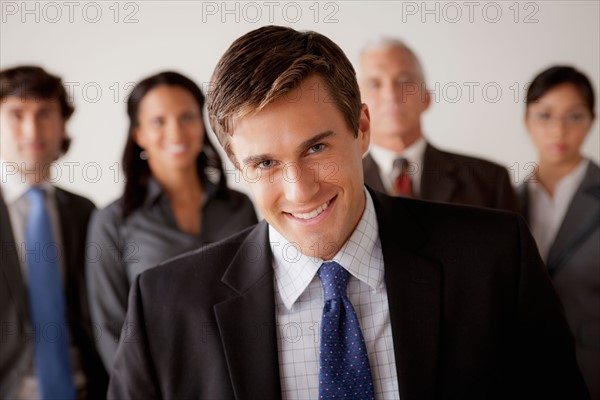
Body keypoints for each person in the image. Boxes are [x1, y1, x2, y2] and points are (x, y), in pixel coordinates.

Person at [108, 26, 589, 399]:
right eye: (265, 163)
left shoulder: (496, 258)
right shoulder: (164, 307)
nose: (299, 189)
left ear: (361, 129)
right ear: (237, 166)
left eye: (316, 147)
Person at [85, 71, 258, 370]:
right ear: (138, 134)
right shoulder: (112, 222)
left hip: (241, 374)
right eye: (158, 121)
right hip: (161, 382)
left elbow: (258, 299)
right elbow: (110, 328)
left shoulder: (239, 207)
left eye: (187, 117)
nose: (176, 133)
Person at [0, 66, 108, 399]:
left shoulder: (86, 212)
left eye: (45, 113)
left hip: (84, 388)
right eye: (17, 114)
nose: (32, 128)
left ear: (62, 125)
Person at [359, 38, 518, 211]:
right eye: (375, 84)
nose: (391, 94)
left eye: (404, 82)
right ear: (358, 106)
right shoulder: (343, 184)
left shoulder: (489, 179)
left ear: (426, 98)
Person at [518, 65, 599, 399]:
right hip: (520, 373)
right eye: (545, 115)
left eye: (574, 116)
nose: (558, 131)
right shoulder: (505, 200)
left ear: (591, 121)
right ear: (527, 120)